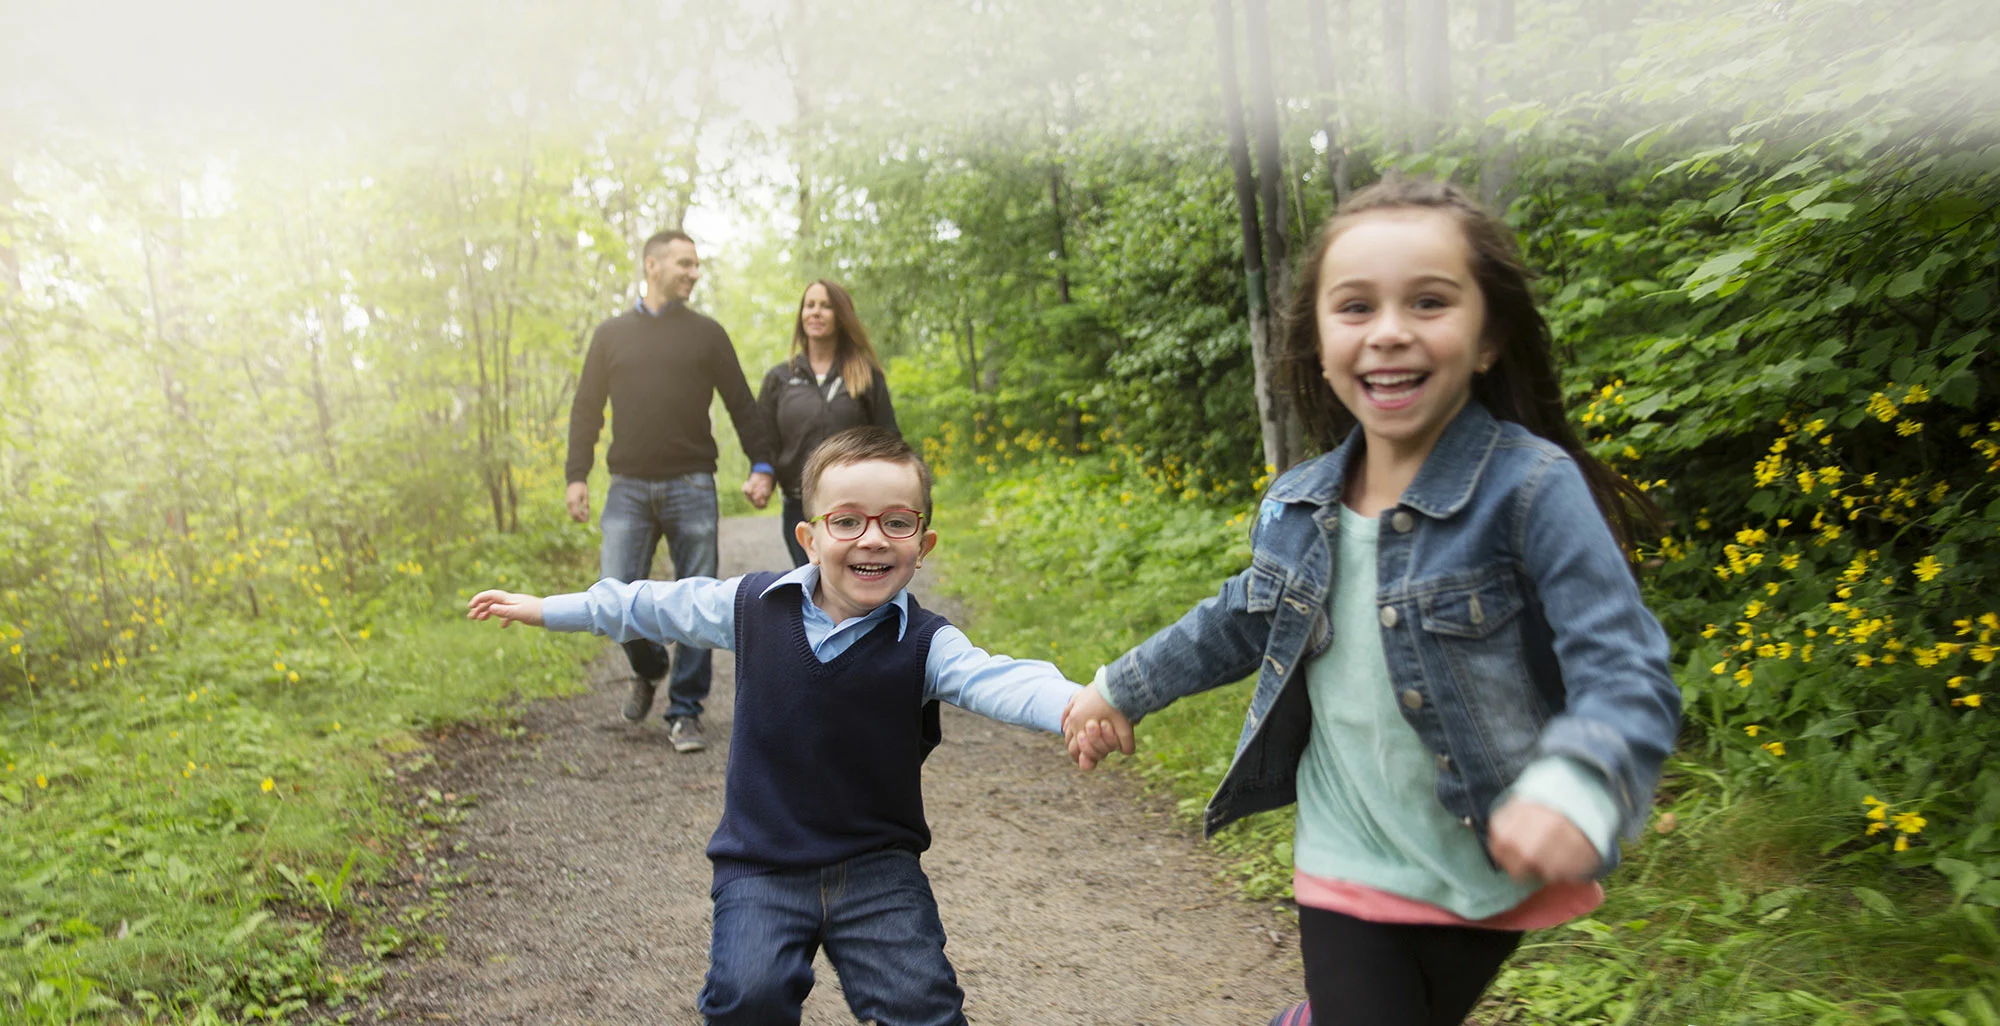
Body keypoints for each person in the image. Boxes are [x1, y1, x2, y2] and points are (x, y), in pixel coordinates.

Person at [1065, 179, 1682, 1026]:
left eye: (1429, 301)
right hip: (1344, 852)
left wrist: (1578, 785)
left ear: (1489, 334)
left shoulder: (1533, 490)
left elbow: (1626, 665)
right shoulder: (1299, 504)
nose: (1390, 331)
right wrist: (1119, 687)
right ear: (1320, 343)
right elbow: (1239, 618)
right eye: (1355, 307)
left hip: (1489, 855)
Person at [470, 427, 1118, 1026]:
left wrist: (1079, 703)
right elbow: (656, 604)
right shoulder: (753, 606)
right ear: (809, 538)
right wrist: (548, 608)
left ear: (923, 546)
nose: (872, 538)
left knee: (920, 1003)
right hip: (762, 864)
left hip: (878, 869)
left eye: (897, 522)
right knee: (746, 996)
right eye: (847, 521)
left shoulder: (928, 645)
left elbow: (1000, 678)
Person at [565, 228, 778, 754]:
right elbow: (587, 408)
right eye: (684, 263)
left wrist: (762, 463)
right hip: (627, 488)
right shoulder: (610, 334)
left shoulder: (707, 334)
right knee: (613, 594)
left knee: (699, 600)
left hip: (692, 484)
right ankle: (650, 665)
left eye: (697, 264)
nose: (694, 273)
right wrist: (576, 474)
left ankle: (685, 712)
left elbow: (740, 402)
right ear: (652, 265)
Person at [757, 279, 900, 567]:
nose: (815, 312)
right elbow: (764, 439)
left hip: (855, 503)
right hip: (800, 504)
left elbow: (889, 438)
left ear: (841, 316)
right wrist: (763, 476)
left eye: (826, 306)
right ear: (801, 316)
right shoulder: (780, 378)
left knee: (849, 585)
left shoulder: (866, 375)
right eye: (810, 305)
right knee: (809, 584)